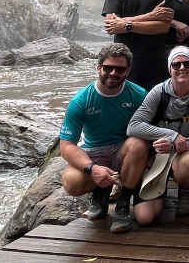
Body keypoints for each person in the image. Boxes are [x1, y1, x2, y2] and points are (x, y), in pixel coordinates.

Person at [59, 44, 149, 234]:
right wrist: (91, 169)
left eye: (120, 69)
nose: (113, 73)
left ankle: (123, 202)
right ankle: (100, 192)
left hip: (124, 150)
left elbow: (151, 129)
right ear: (98, 68)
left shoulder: (139, 95)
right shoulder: (81, 100)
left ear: (128, 71)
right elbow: (66, 146)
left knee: (138, 144)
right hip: (94, 152)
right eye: (108, 68)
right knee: (71, 181)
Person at [126, 46, 189, 223]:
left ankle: (185, 190)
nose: (182, 68)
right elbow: (133, 127)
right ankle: (156, 190)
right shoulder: (158, 91)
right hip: (158, 156)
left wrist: (174, 146)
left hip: (185, 153)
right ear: (170, 69)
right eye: (176, 65)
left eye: (187, 63)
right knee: (144, 219)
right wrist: (171, 136)